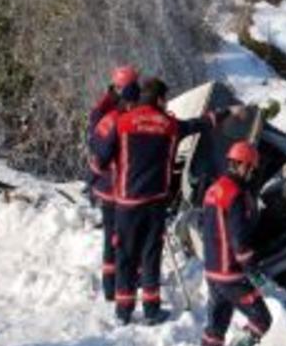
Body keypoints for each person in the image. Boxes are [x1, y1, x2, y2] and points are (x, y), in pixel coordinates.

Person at [91, 77, 230, 325]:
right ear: (159, 99)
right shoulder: (168, 124)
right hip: (155, 202)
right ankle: (152, 309)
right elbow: (195, 125)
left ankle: (123, 311)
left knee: (124, 254)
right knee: (150, 254)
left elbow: (100, 160)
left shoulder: (121, 122)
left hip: (126, 202)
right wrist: (223, 114)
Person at [199, 141, 272, 346]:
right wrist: (255, 273)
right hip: (231, 275)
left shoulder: (214, 189)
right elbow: (239, 241)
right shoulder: (236, 195)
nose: (252, 174)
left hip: (212, 271)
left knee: (217, 323)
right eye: (251, 169)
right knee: (261, 319)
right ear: (242, 165)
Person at [87, 65, 140, 302]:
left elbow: (94, 142)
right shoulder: (117, 116)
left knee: (112, 238)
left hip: (105, 185)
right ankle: (121, 286)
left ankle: (112, 288)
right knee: (124, 239)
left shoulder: (104, 108)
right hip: (116, 187)